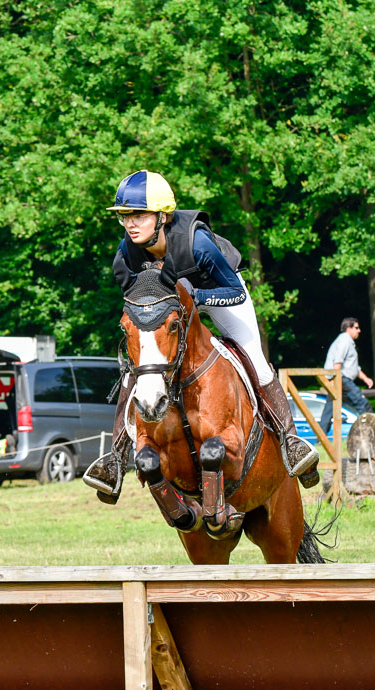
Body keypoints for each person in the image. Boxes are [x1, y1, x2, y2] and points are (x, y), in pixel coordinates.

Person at [83, 170, 319, 502]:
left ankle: (290, 442)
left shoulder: (196, 242)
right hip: (171, 310)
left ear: (163, 216)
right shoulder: (126, 255)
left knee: (254, 357)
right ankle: (116, 459)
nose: (130, 224)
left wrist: (197, 298)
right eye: (125, 216)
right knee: (132, 371)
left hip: (218, 293)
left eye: (138, 215)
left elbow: (235, 292)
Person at [319, 318, 373, 434]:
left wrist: (365, 379)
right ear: (349, 328)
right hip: (341, 379)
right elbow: (337, 362)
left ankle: (320, 439)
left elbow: (353, 367)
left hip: (339, 378)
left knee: (329, 409)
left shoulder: (346, 341)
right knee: (363, 404)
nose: (359, 330)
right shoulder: (345, 341)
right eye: (356, 328)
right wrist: (333, 379)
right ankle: (369, 434)